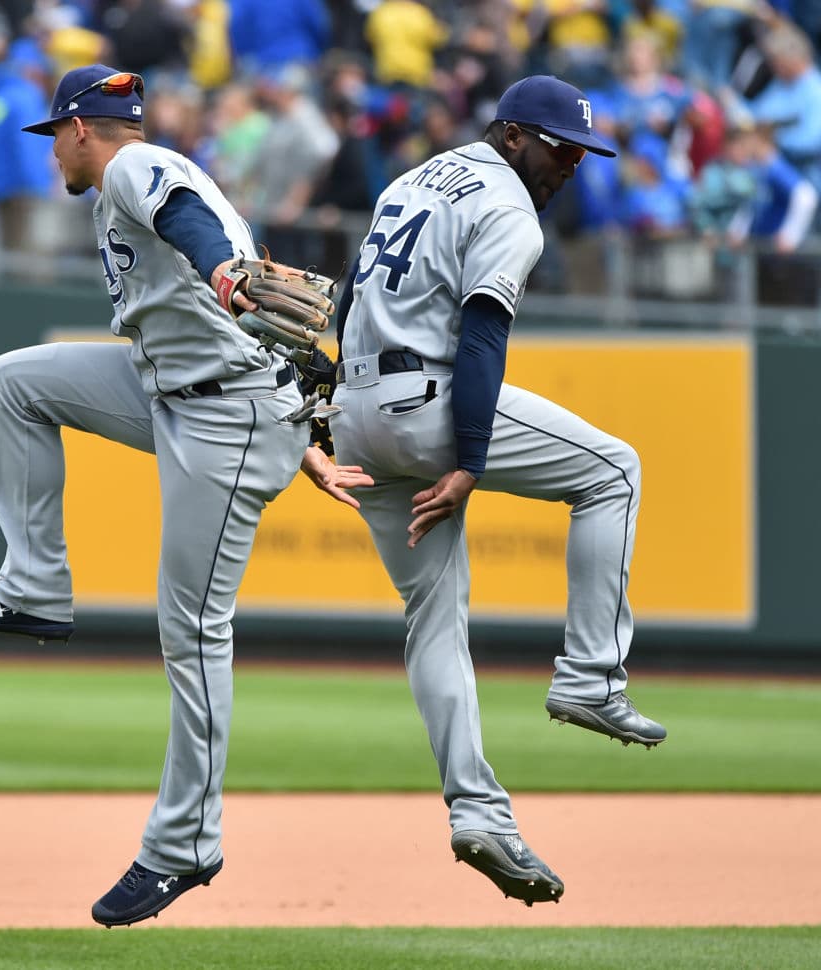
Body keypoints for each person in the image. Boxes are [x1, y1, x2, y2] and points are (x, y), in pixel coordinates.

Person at [0, 63, 372, 927]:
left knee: (193, 631)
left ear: (83, 129)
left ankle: (185, 846)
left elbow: (192, 223)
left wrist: (227, 273)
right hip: (186, 391)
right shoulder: (125, 180)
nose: (54, 147)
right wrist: (300, 439)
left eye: (55, 131)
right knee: (18, 380)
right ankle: (32, 590)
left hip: (222, 415)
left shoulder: (132, 166)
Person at [328, 74, 667, 908]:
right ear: (512, 134)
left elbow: (342, 304)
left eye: (581, 156)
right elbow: (482, 335)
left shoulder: (413, 178)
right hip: (432, 403)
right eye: (559, 149)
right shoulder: (508, 203)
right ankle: (591, 676)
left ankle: (477, 812)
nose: (568, 169)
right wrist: (469, 460)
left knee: (434, 619)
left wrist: (325, 417)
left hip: (355, 413)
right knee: (613, 469)